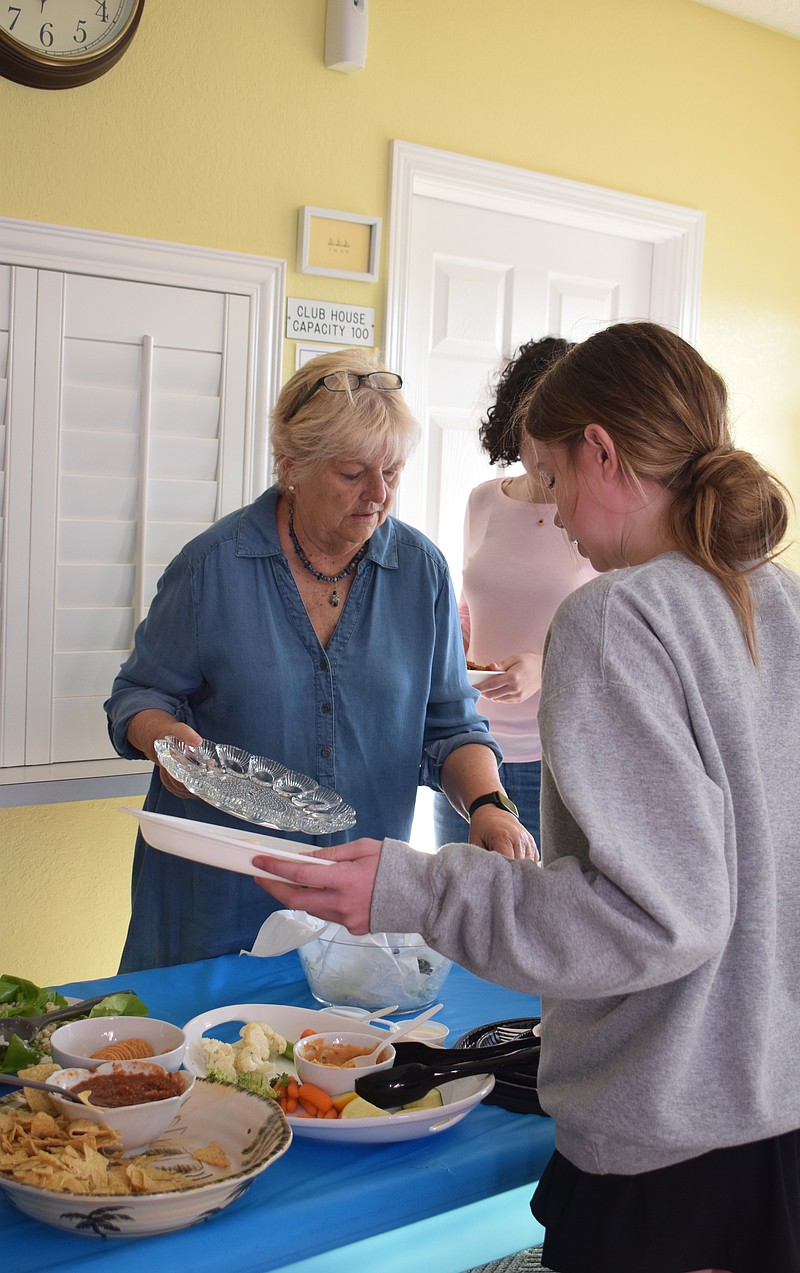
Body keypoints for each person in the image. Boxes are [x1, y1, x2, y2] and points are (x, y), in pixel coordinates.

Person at [253, 322, 800, 1273]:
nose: (557, 514)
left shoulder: (618, 618)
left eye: (556, 478)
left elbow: (655, 919)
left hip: (675, 1146)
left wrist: (413, 888)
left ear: (601, 450)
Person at [105, 348, 537, 973]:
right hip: (218, 894)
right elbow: (137, 696)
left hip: (352, 901)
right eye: (353, 472)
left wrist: (489, 805)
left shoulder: (422, 574)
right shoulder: (211, 568)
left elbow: (451, 726)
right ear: (292, 465)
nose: (379, 494)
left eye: (392, 471)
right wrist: (169, 743)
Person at [433, 337, 596, 849]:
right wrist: (454, 645)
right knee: (455, 917)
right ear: (517, 422)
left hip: (556, 757)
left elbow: (617, 634)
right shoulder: (483, 500)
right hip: (470, 750)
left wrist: (546, 665)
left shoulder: (596, 514)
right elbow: (471, 602)